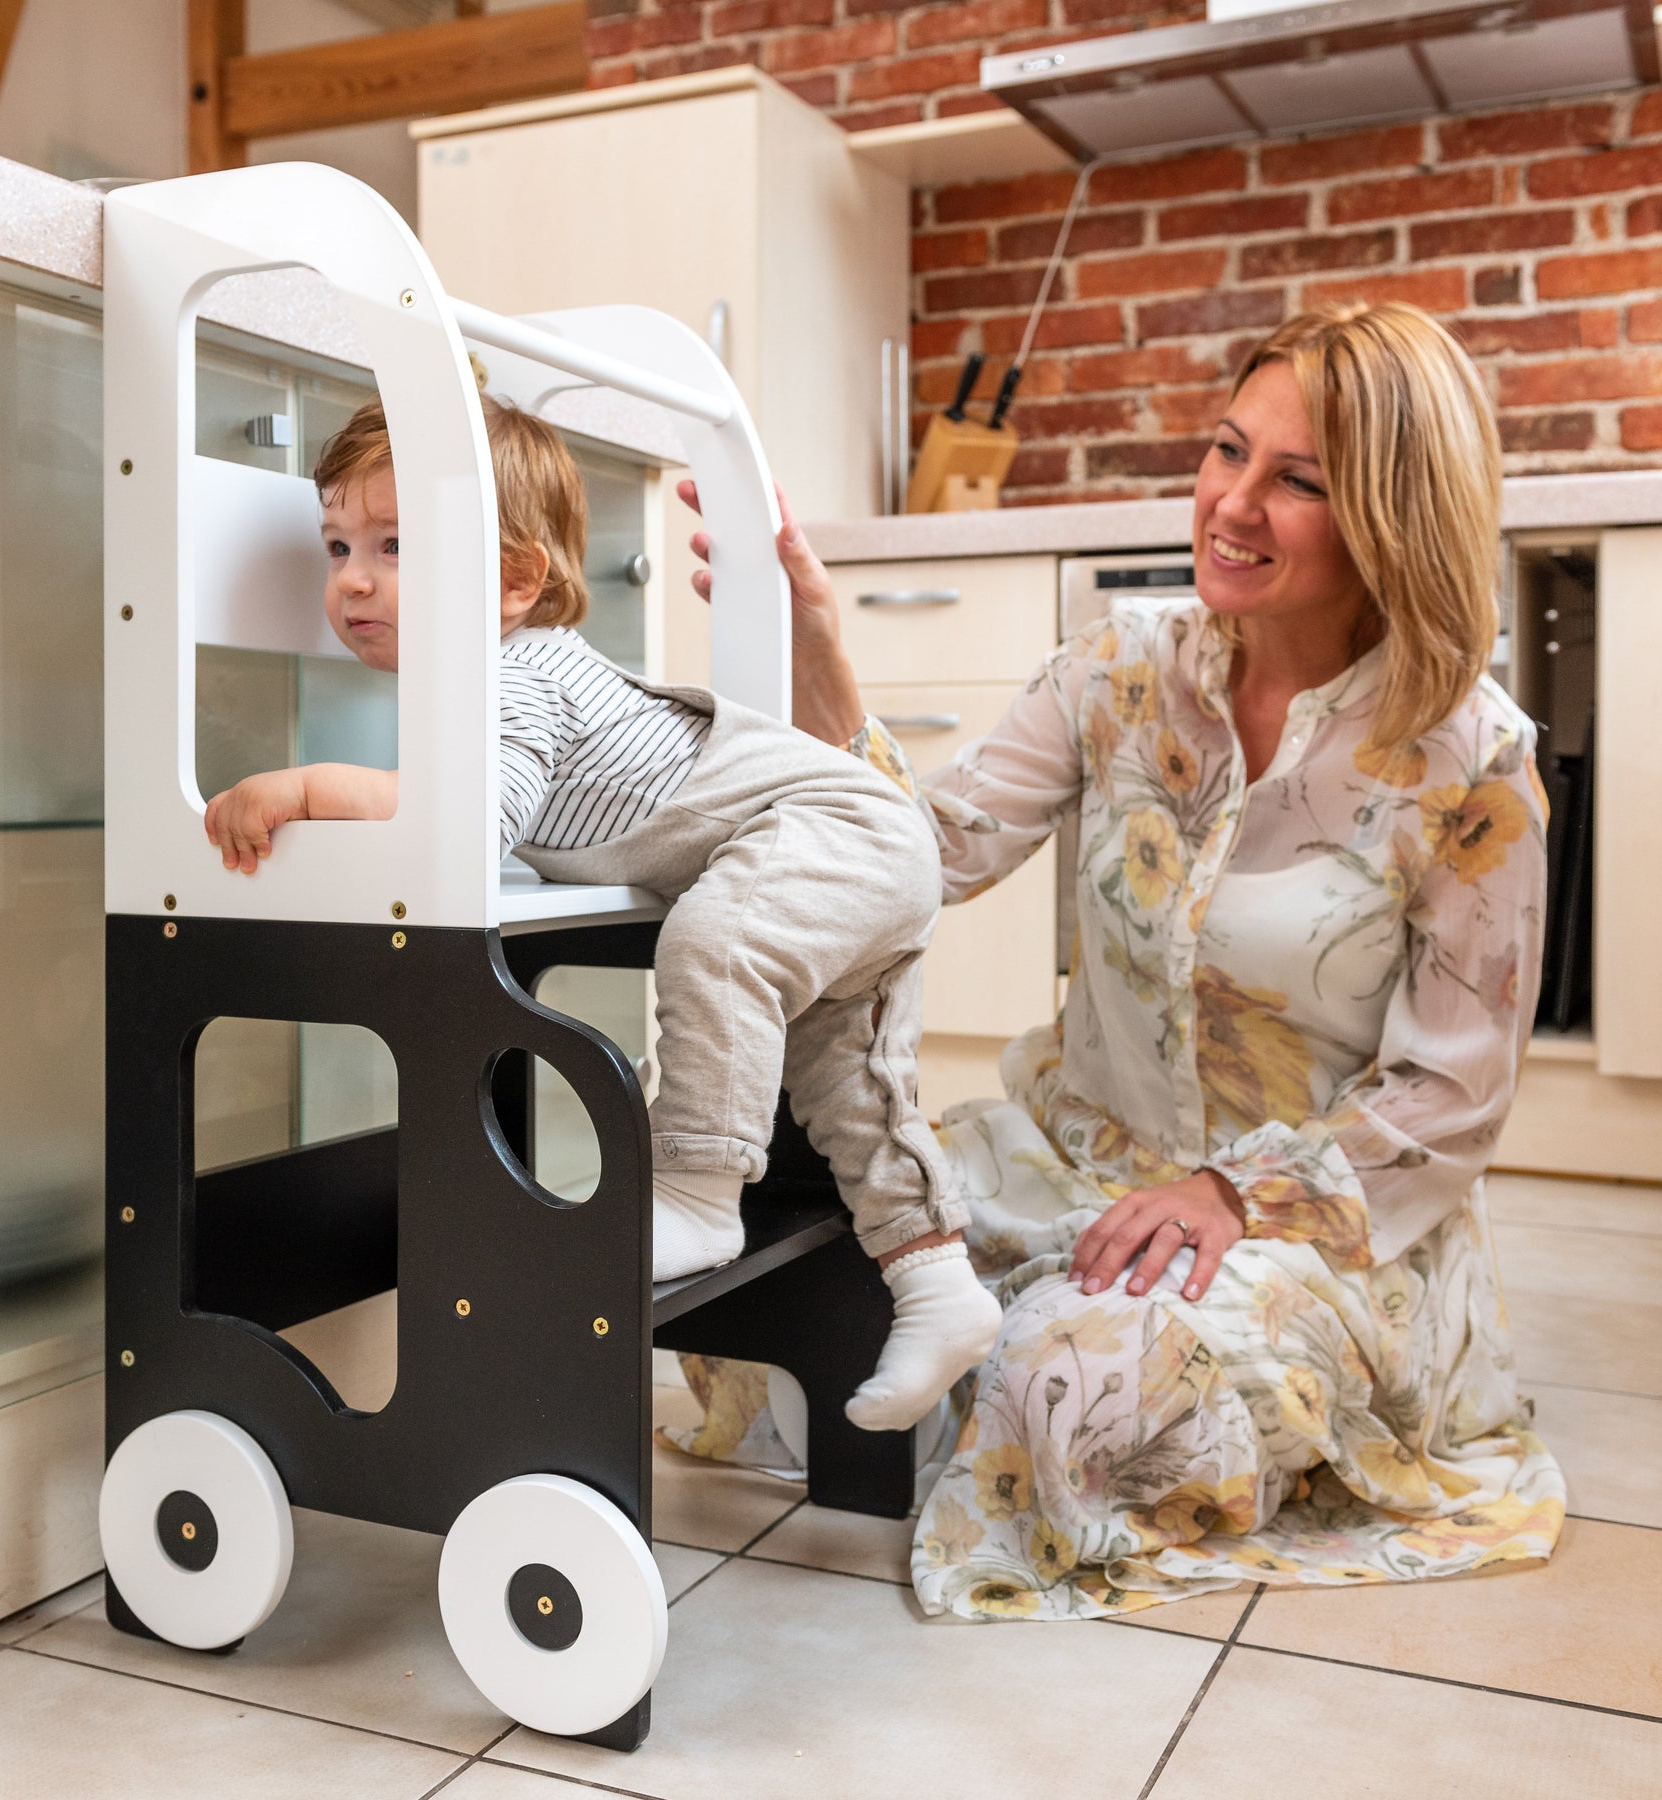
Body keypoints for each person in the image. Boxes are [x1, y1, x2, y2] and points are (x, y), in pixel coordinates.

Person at [683, 301, 1565, 1618]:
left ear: (1391, 517)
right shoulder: (1119, 668)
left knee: (1070, 1382)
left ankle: (1038, 1393)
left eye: (1298, 481)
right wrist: (821, 651)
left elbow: (1451, 1097)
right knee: (777, 1297)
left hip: (1306, 1222)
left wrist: (1229, 1196)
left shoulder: (1473, 760)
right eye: (1227, 451)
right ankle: (1004, 1385)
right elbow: (929, 853)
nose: (1232, 504)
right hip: (1064, 1158)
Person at [201, 394, 1000, 1430]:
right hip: (856, 841)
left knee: (715, 945)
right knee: (848, 1081)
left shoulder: (515, 675)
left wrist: (305, 787)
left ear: (514, 581)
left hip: (835, 827)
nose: (353, 578)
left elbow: (466, 822)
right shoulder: (495, 684)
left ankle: (698, 1196)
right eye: (339, 545)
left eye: (397, 546)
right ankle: (939, 1285)